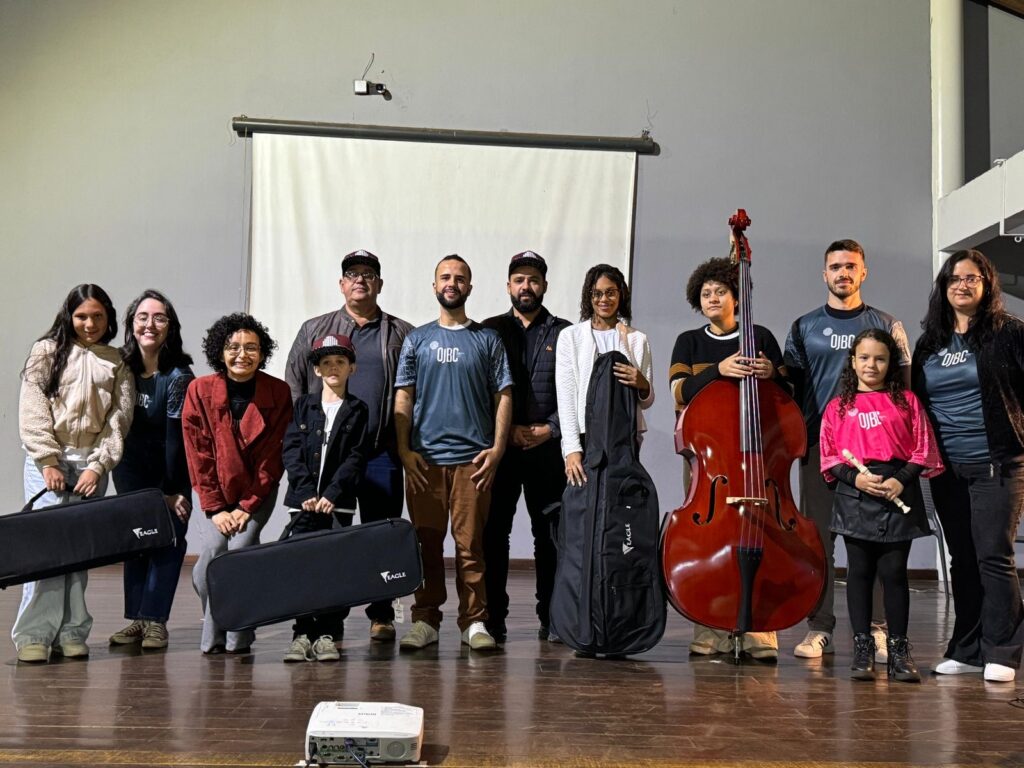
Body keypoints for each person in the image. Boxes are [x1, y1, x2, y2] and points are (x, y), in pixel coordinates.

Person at [784, 239, 911, 660]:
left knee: (873, 539)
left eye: (850, 266)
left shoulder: (888, 325)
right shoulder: (803, 327)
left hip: (878, 453)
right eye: (835, 266)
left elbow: (904, 394)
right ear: (825, 274)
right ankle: (819, 627)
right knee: (818, 540)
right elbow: (793, 392)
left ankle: (875, 628)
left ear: (863, 272)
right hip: (823, 451)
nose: (843, 273)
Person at [286, 249, 412, 642]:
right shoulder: (314, 330)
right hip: (327, 457)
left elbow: (412, 391)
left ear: (379, 283)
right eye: (352, 274)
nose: (360, 279)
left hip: (379, 453)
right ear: (342, 284)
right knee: (327, 537)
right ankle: (325, 621)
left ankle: (381, 614)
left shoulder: (402, 332)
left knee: (380, 536)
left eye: (368, 273)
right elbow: (294, 387)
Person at [668, 257, 788, 661]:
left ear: (737, 297)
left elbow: (787, 395)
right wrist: (718, 369)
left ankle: (761, 630)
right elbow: (679, 394)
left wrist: (772, 371)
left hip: (758, 465)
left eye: (720, 291)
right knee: (710, 541)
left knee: (765, 538)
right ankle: (710, 626)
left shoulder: (762, 337)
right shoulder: (689, 342)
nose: (713, 298)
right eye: (706, 294)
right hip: (709, 463)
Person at [913, 249, 1024, 683]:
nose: (963, 284)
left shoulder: (1009, 333)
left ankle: (1003, 651)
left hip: (998, 464)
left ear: (986, 285)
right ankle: (968, 647)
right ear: (943, 286)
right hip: (947, 469)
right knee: (962, 558)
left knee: (993, 556)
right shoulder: (931, 342)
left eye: (972, 278)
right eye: (955, 278)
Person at [394, 255, 513, 651]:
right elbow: (404, 396)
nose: (452, 283)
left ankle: (474, 622)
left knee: (470, 547)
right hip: (425, 462)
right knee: (425, 544)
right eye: (445, 277)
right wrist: (403, 449)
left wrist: (496, 450)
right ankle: (425, 619)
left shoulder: (487, 339)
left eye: (460, 278)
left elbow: (504, 395)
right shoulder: (417, 340)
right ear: (434, 286)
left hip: (472, 463)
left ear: (470, 288)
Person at [14, 284, 134, 663]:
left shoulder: (117, 360)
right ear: (69, 316)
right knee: (47, 552)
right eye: (82, 316)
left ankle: (72, 632)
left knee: (79, 553)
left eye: (98, 316)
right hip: (46, 463)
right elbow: (32, 408)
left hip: (91, 466)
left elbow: (119, 419)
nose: (89, 323)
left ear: (108, 318)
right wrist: (48, 460)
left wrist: (99, 466)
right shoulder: (45, 352)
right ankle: (34, 635)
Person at [820, 329, 943, 682]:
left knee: (893, 573)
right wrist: (856, 478)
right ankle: (862, 649)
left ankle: (899, 651)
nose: (871, 365)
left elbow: (922, 448)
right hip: (855, 492)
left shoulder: (907, 401)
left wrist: (900, 479)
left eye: (880, 358)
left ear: (890, 363)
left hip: (896, 489)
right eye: (864, 357)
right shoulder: (837, 407)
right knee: (858, 572)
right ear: (852, 361)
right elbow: (829, 457)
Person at [183, 313, 292, 655]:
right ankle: (230, 632)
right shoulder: (199, 390)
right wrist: (216, 509)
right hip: (214, 493)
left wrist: (246, 507)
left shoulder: (278, 392)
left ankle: (233, 638)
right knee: (213, 557)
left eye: (250, 348)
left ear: (262, 353)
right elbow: (198, 456)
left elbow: (272, 460)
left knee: (241, 554)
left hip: (257, 494)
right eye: (233, 347)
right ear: (220, 351)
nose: (241, 354)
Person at [482, 251, 570, 644]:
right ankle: (493, 618)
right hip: (501, 450)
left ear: (544, 286)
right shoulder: (488, 330)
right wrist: (508, 431)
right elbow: (478, 391)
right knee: (493, 534)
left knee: (548, 536)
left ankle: (551, 617)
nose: (526, 287)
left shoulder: (565, 332)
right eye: (519, 279)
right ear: (508, 286)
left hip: (547, 451)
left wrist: (550, 430)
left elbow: (575, 394)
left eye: (533, 279)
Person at [109, 290, 195, 651]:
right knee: (136, 543)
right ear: (131, 324)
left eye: (159, 317)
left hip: (171, 472)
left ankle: (156, 621)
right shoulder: (120, 368)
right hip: (129, 469)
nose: (150, 324)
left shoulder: (179, 375)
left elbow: (177, 441)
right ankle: (138, 619)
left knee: (167, 542)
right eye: (142, 316)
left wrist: (172, 491)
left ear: (170, 327)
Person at [281, 335, 370, 663]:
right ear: (317, 370)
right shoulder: (303, 405)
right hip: (302, 506)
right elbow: (291, 451)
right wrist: (305, 493)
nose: (333, 368)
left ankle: (328, 634)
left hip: (338, 505)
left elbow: (356, 457)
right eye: (326, 363)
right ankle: (302, 633)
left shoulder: (358, 410)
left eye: (340, 362)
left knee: (335, 569)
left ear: (352, 367)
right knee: (301, 568)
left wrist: (332, 494)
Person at [556, 264, 654, 489]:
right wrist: (571, 449)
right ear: (588, 296)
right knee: (585, 505)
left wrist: (642, 384)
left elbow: (646, 401)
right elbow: (566, 398)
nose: (604, 299)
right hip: (585, 436)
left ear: (621, 294)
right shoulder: (570, 337)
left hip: (624, 438)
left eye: (611, 292)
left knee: (618, 504)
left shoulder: (638, 340)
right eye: (597, 293)